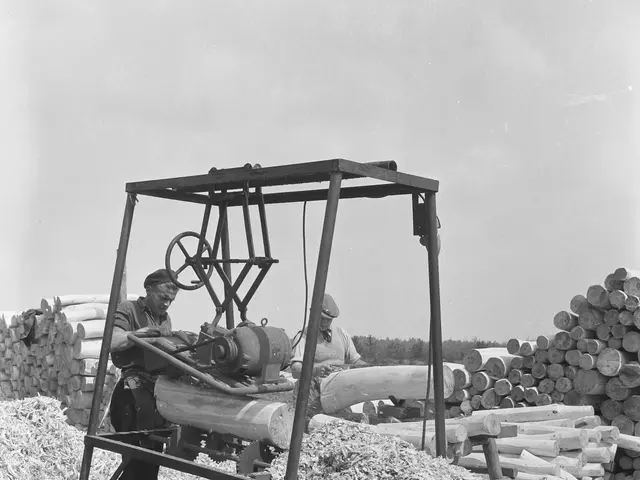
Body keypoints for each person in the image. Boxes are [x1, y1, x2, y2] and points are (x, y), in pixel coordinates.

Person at [109, 268, 180, 480]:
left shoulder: (165, 319)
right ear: (148, 289)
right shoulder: (129, 309)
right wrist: (137, 335)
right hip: (132, 396)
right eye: (163, 297)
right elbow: (112, 341)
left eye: (171, 300)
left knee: (150, 468)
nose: (167, 303)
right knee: (133, 466)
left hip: (155, 397)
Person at [290, 293, 367, 379]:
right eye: (322, 318)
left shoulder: (342, 334)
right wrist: (316, 371)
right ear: (314, 314)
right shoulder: (303, 337)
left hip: (338, 387)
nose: (325, 323)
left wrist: (371, 369)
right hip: (313, 389)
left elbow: (356, 361)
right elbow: (295, 371)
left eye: (328, 320)